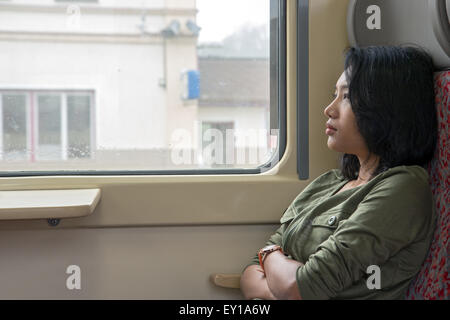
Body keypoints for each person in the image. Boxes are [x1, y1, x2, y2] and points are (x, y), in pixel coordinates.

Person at [240, 46, 438, 300]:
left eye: (346, 97)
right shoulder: (329, 183)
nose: (329, 109)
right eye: (335, 95)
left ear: (386, 108)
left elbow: (297, 287)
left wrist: (269, 255)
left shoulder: (404, 188)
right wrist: (277, 274)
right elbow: (250, 271)